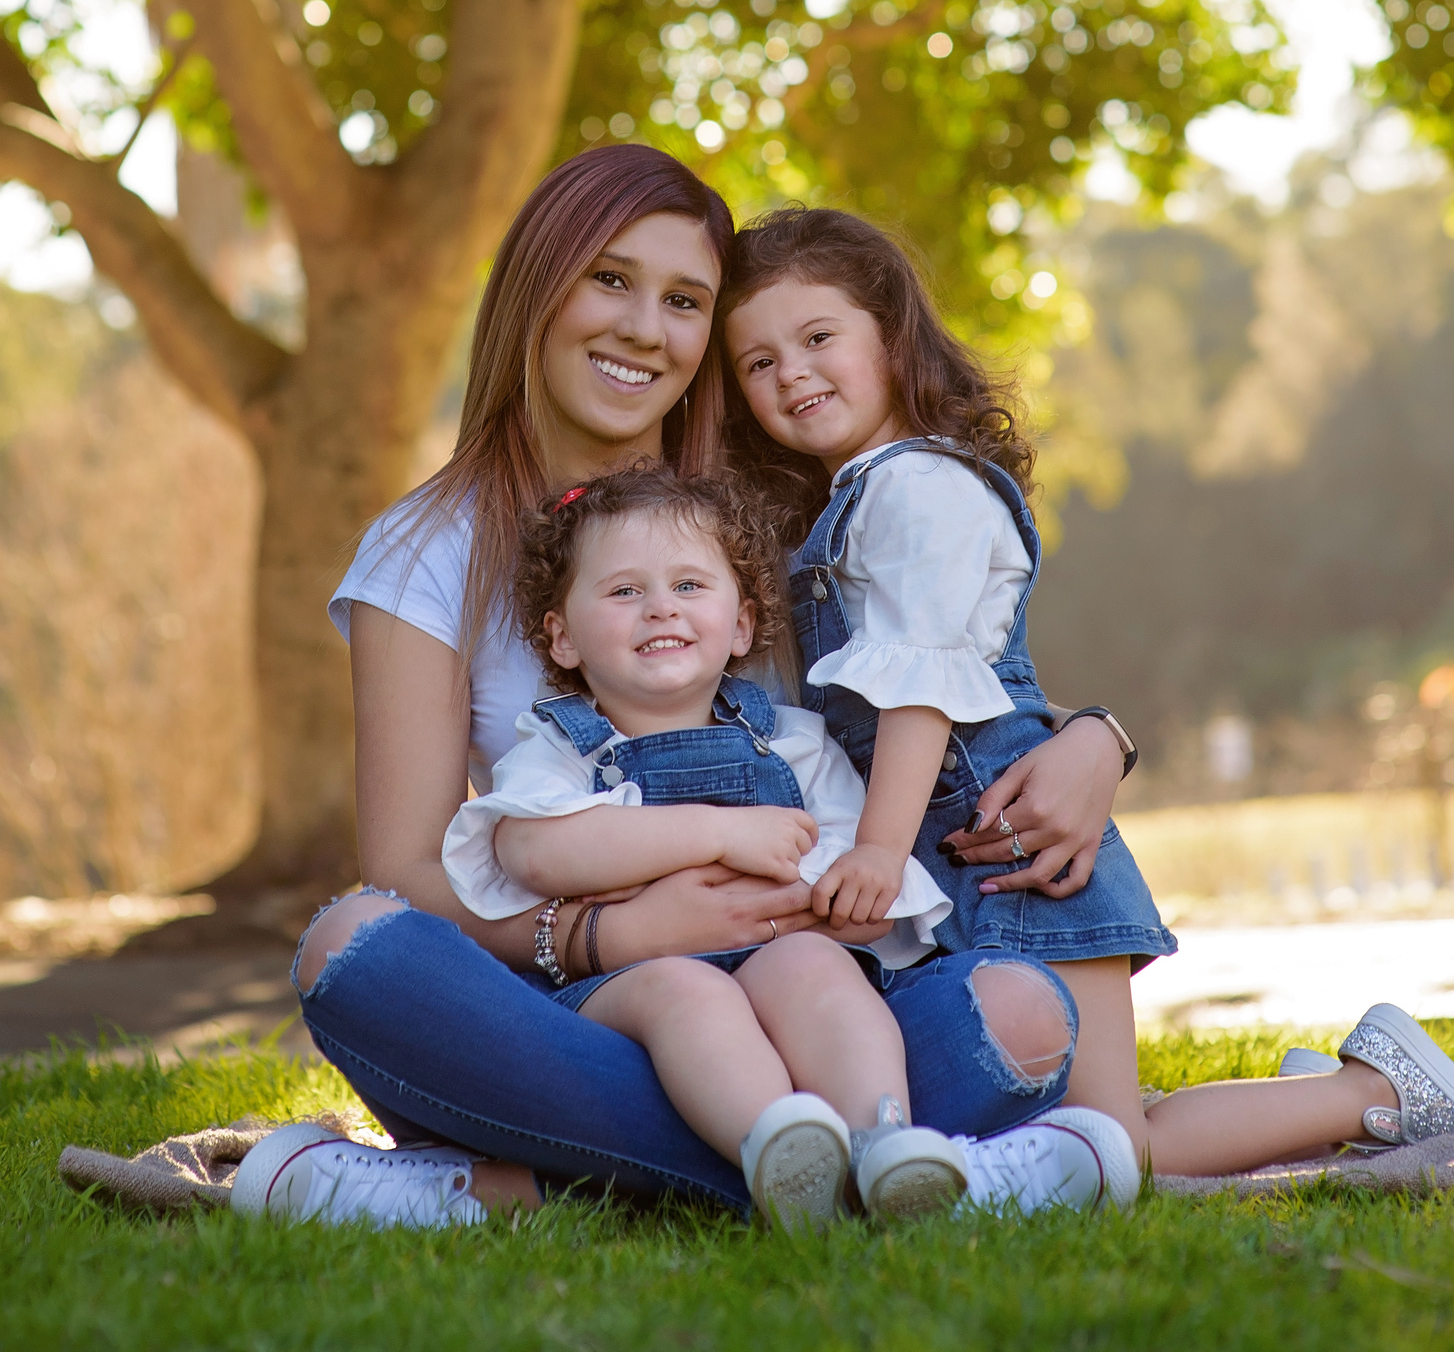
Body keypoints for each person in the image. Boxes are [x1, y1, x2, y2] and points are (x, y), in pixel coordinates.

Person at [237, 147, 1139, 1230]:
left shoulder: (771, 509)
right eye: (609, 279)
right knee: (353, 946)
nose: (642, 329)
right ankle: (854, 1162)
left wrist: (1096, 739)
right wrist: (610, 936)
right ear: (537, 287)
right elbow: (410, 874)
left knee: (1017, 1014)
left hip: (816, 987)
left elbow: (934, 677)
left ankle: (525, 1182)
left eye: (684, 301)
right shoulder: (428, 549)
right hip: (592, 1014)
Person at [718, 204, 1454, 1177]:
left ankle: (1375, 1089)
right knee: (1078, 1135)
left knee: (1116, 1149)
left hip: (1029, 864)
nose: (792, 373)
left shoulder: (916, 488)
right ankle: (1315, 1104)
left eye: (818, 338)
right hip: (962, 858)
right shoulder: (846, 507)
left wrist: (879, 853)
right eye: (758, 362)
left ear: (891, 336)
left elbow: (922, 689)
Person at [445, 465, 985, 1227]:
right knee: (687, 991)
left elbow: (851, 881)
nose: (660, 606)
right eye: (623, 591)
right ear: (562, 637)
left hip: (778, 957)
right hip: (630, 985)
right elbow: (534, 851)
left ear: (741, 625)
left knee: (817, 966)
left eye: (690, 586)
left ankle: (882, 1140)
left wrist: (846, 891)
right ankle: (777, 1148)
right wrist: (724, 833)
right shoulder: (562, 749)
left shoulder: (791, 741)